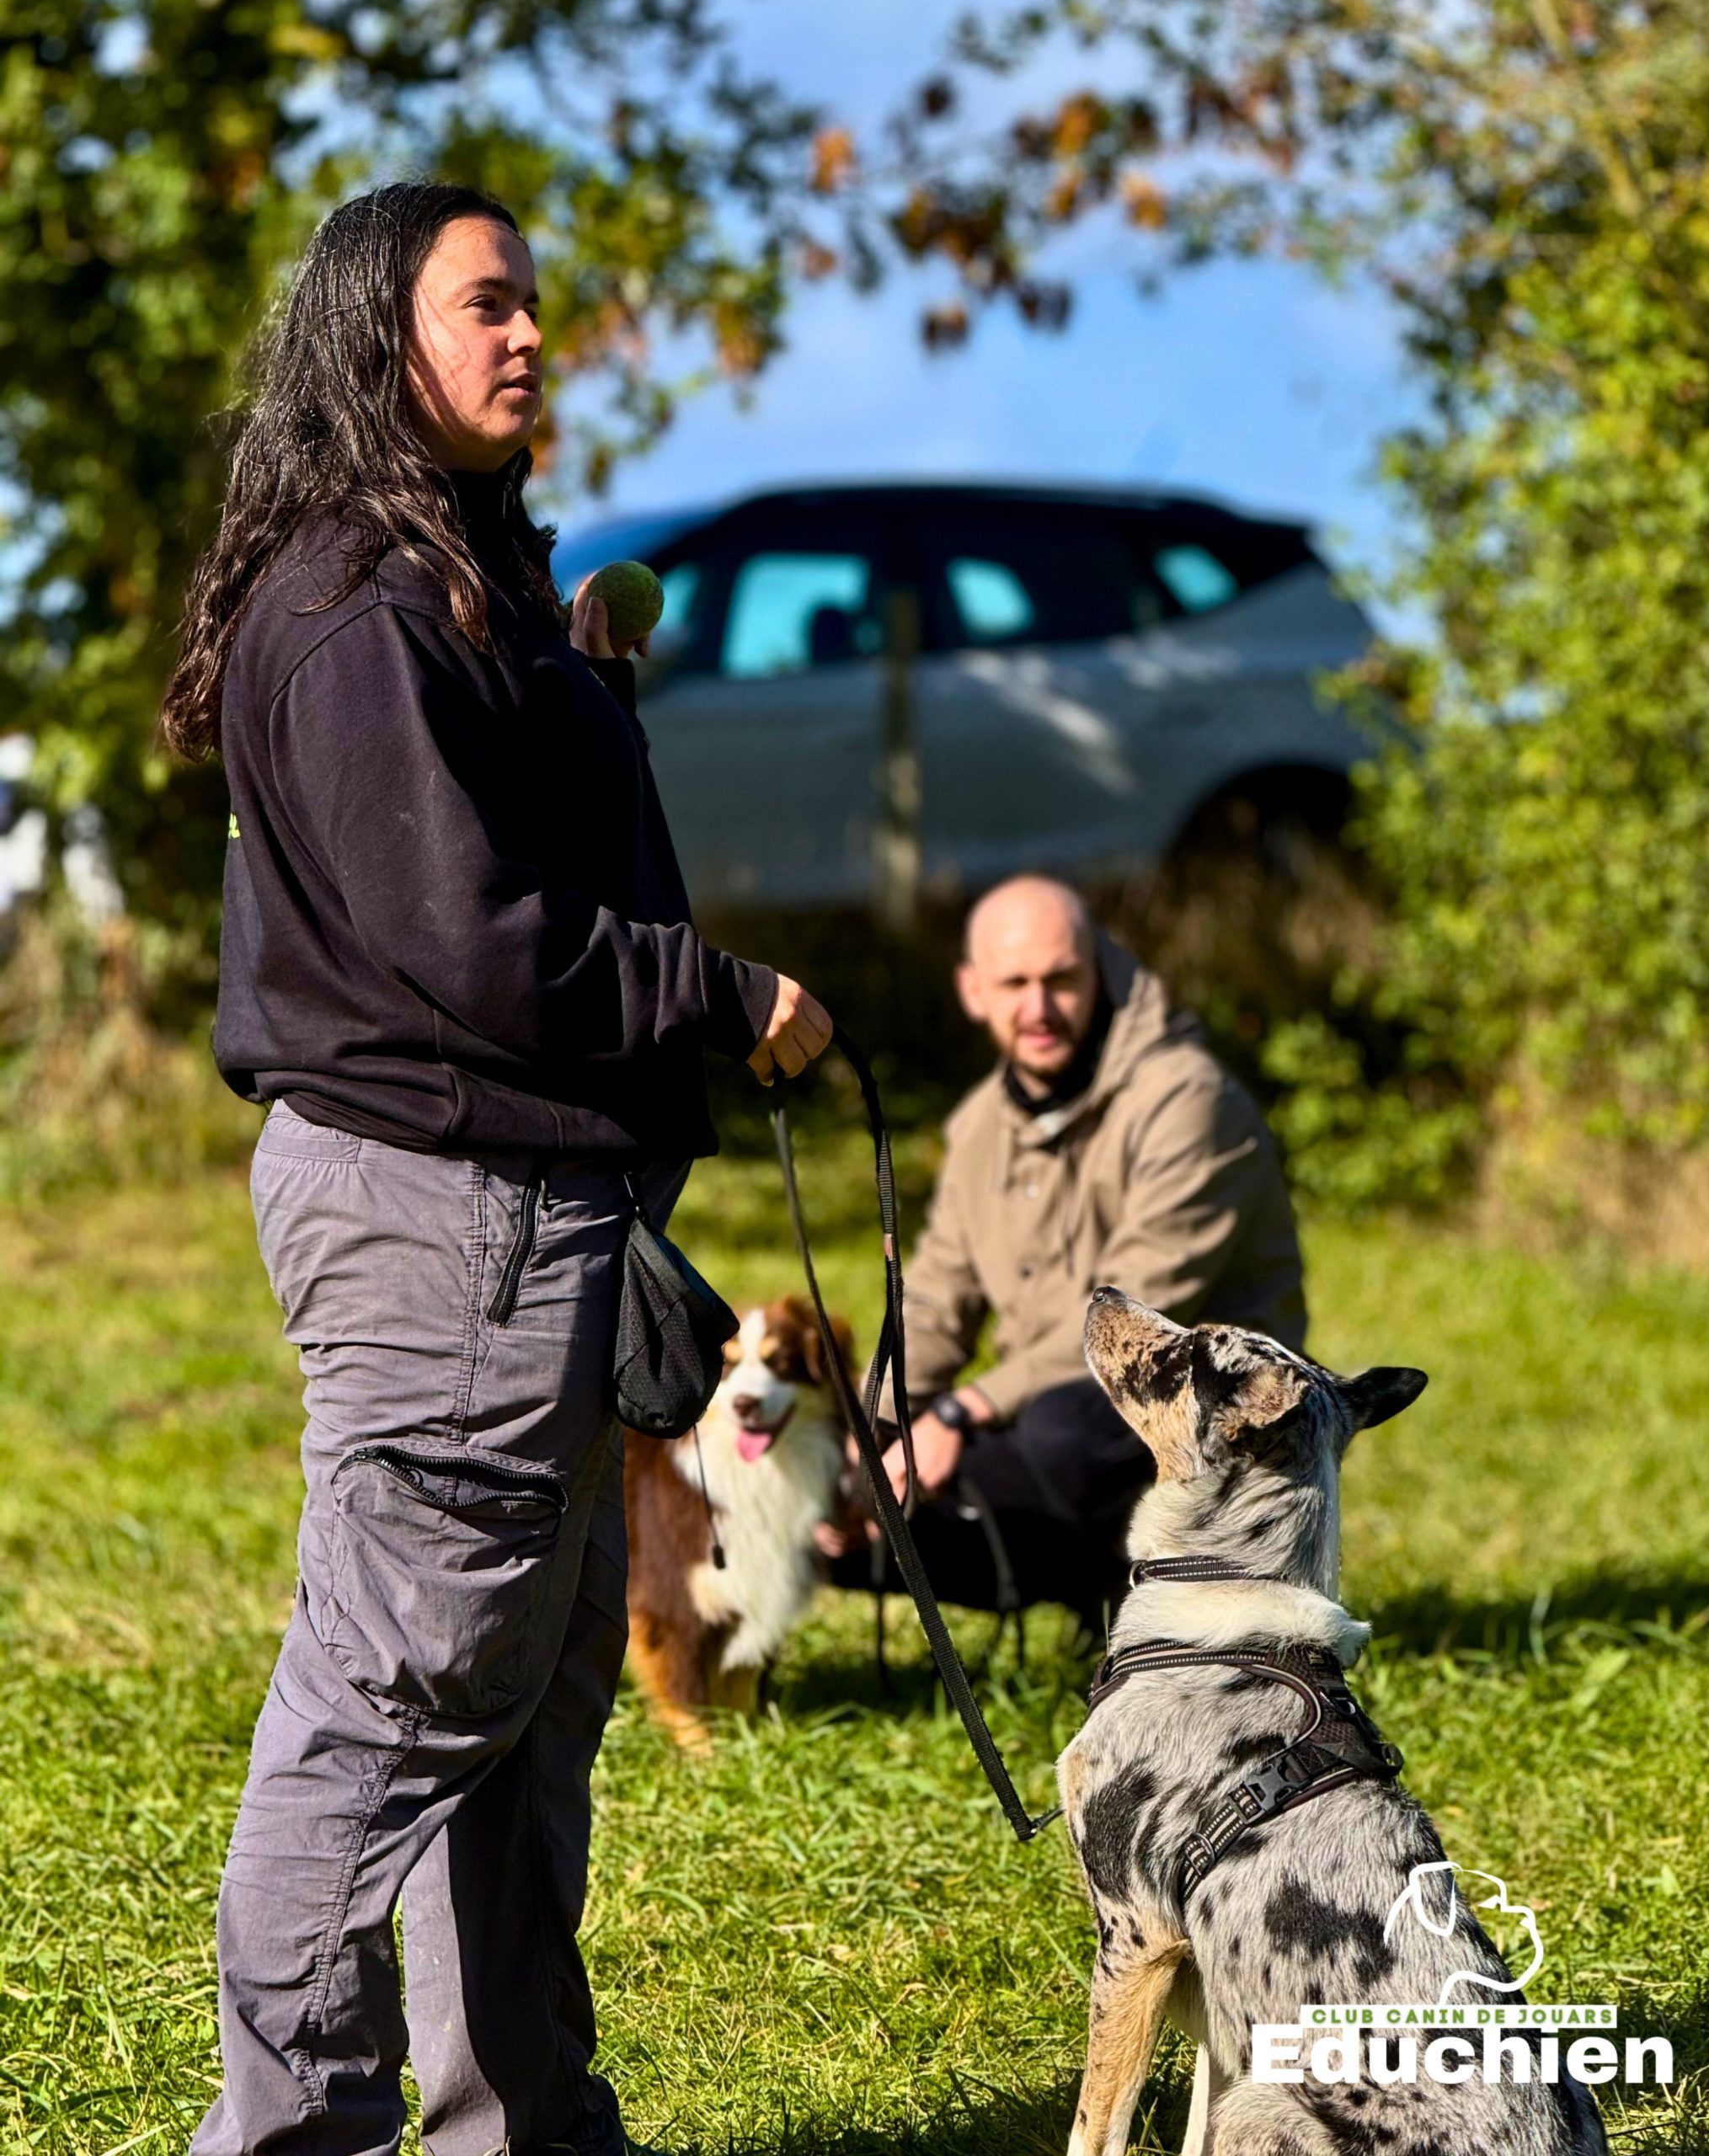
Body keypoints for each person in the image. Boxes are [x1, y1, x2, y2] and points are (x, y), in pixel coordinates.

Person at [159, 181, 830, 2156]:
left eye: (535, 301)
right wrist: (719, 996)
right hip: (440, 1219)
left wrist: (583, 673)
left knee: (518, 1718)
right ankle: (289, 2136)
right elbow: (476, 941)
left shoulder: (442, 578)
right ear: (380, 339)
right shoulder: (358, 606)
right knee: (390, 1706)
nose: (529, 334)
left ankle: (515, 2128)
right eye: (485, 306)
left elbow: (487, 837)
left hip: (524, 1216)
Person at [828, 876, 1304, 1626]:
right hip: (1040, 1414)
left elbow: (1143, 1328)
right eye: (1014, 983)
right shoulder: (982, 1123)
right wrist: (864, 1438)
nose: (1038, 1009)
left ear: (1099, 969)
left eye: (1060, 979)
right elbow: (936, 1297)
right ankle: (1098, 1590)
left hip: (1213, 1424)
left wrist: (955, 1418)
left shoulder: (1188, 1100)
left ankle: (1173, 1602)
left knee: (1061, 1434)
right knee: (828, 1506)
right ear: (973, 990)